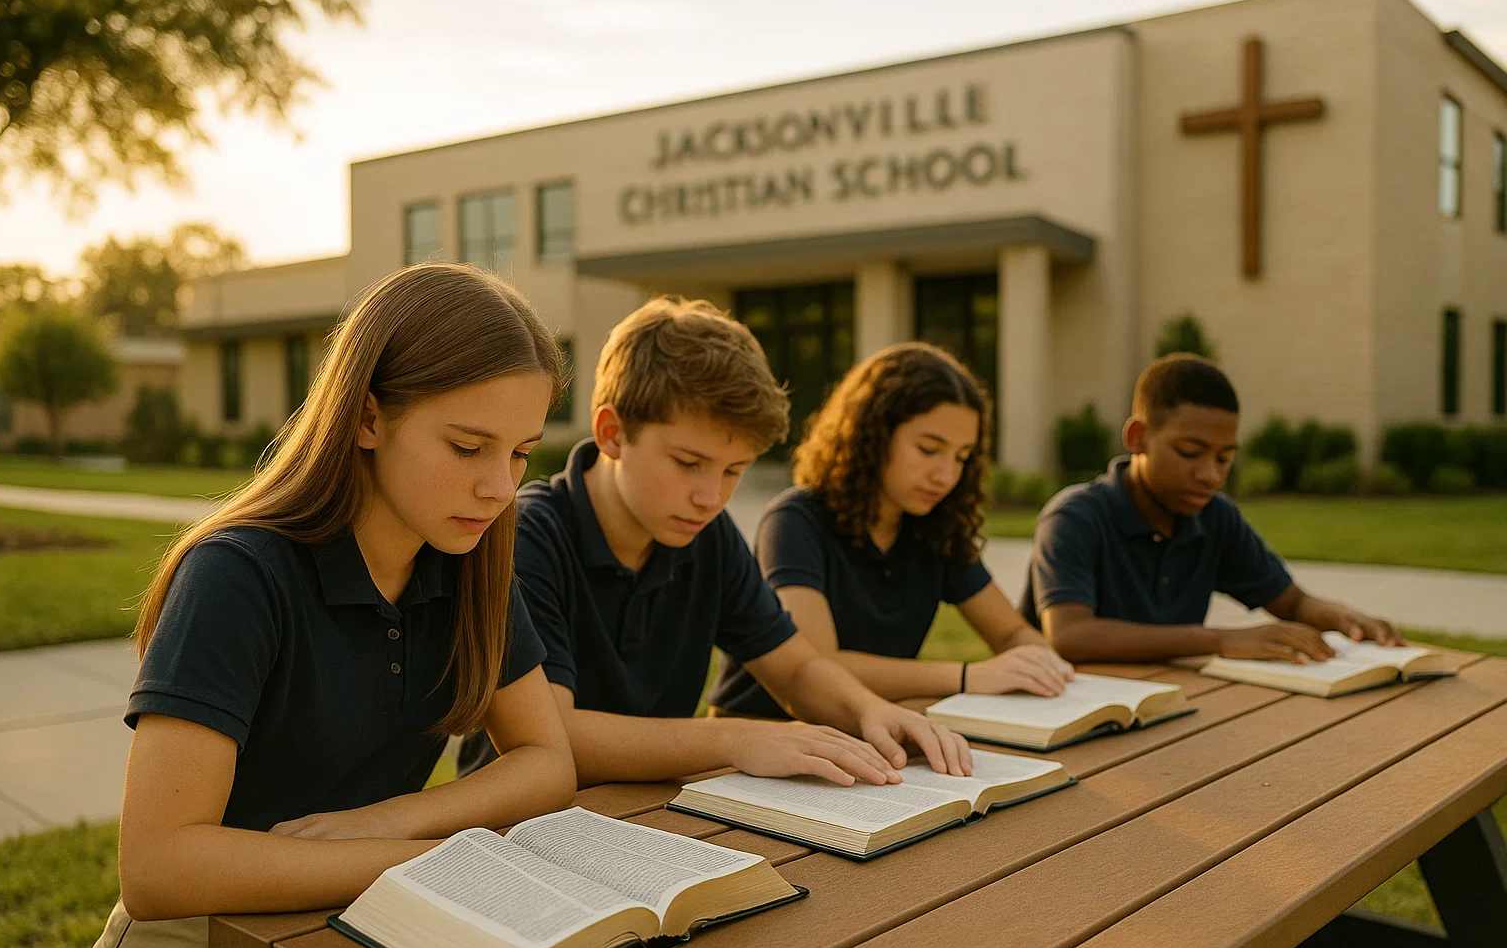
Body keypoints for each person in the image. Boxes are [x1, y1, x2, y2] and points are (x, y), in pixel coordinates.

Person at [77, 264, 578, 948]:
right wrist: (435, 859)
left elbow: (546, 758)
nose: (502, 488)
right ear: (368, 418)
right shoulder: (238, 575)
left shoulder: (467, 565)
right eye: (469, 447)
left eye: (521, 452)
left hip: (354, 934)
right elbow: (157, 868)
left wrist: (395, 819)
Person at [458, 297, 973, 790]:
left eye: (733, 471)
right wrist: (735, 737)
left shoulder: (705, 533)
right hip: (518, 833)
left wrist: (873, 711)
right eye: (688, 463)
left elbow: (795, 668)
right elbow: (552, 735)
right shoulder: (528, 536)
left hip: (653, 812)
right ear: (612, 433)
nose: (710, 498)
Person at [708, 343, 1073, 719]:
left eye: (962, 457)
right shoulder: (794, 521)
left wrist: (1044, 666)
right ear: (872, 435)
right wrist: (968, 676)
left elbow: (1010, 633)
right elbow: (820, 664)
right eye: (929, 449)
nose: (946, 475)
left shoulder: (935, 526)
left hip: (876, 727)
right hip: (765, 735)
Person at [1020, 352, 1402, 664]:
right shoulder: (1074, 518)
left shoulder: (1214, 516)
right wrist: (1220, 639)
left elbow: (1292, 601)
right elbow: (1071, 636)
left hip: (1166, 704)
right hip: (1065, 711)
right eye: (1190, 453)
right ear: (1138, 437)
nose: (1210, 475)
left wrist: (1347, 620)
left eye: (1224, 458)